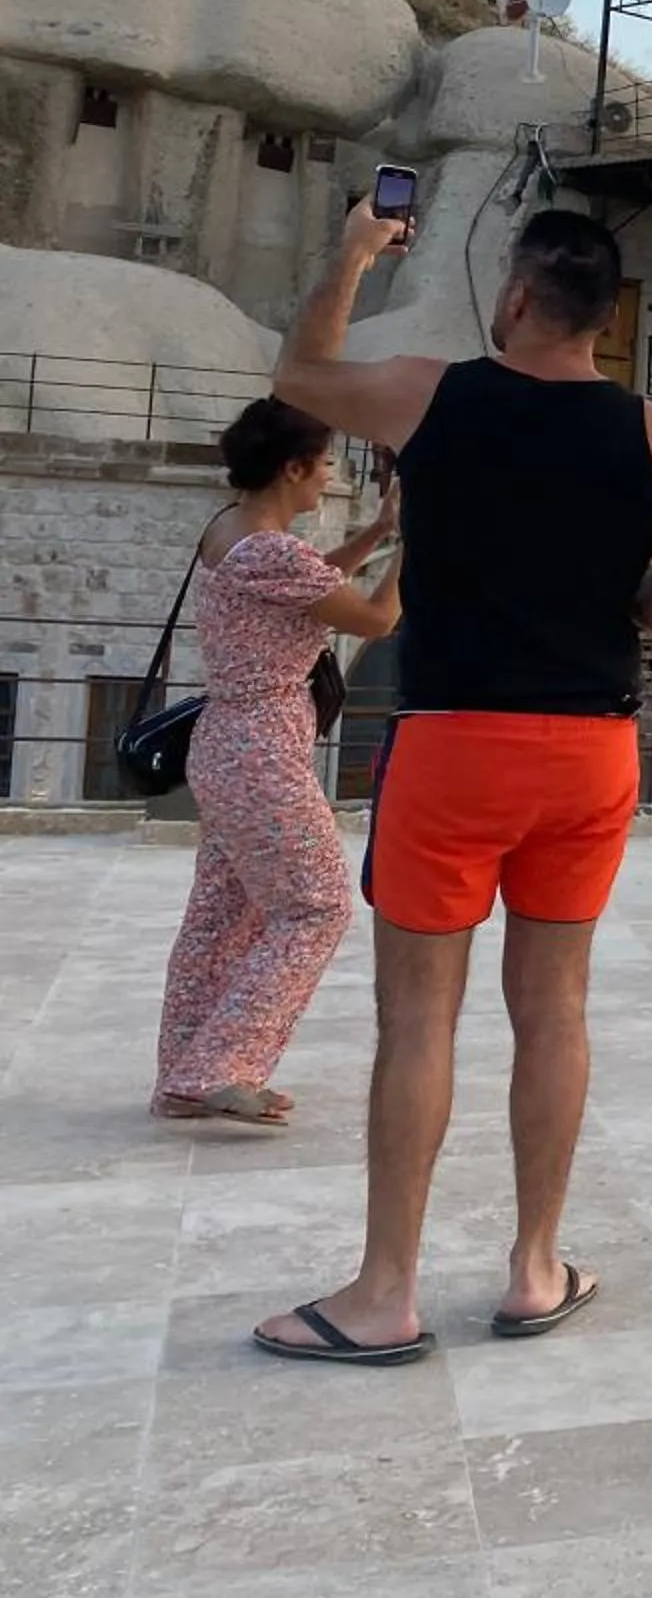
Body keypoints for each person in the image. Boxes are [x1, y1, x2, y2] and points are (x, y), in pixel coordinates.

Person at [250, 202, 652, 1367]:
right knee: (553, 1008)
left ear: (514, 302)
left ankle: (385, 1294)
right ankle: (534, 1268)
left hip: (457, 744)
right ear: (605, 324)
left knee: (419, 1019)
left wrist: (355, 248)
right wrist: (606, 608)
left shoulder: (431, 392)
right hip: (593, 750)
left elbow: (299, 370)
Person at [153, 399, 401, 1128]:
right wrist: (415, 547)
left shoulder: (231, 532)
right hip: (260, 750)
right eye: (323, 465)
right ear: (293, 468)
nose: (327, 477)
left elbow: (312, 581)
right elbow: (376, 618)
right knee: (317, 905)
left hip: (228, 743)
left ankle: (183, 1072)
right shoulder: (271, 550)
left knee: (219, 917)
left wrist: (380, 531)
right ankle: (218, 1067)